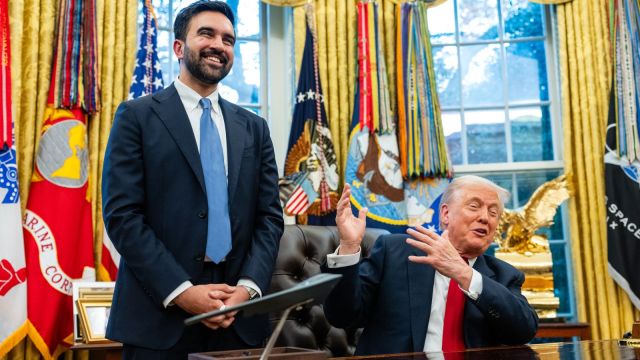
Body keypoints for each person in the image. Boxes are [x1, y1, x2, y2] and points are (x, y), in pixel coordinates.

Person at [101, 1, 283, 358]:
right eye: (207, 33)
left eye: (229, 39)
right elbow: (123, 216)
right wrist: (182, 292)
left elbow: (269, 218)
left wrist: (247, 289)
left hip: (238, 321)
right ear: (179, 47)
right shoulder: (136, 117)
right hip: (159, 318)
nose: (219, 44)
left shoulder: (254, 129)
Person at [323, 175, 538, 355]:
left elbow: (524, 331)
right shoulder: (395, 252)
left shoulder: (503, 275)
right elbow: (343, 316)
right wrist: (350, 245)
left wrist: (465, 274)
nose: (485, 218)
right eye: (474, 206)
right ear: (445, 214)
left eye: (493, 213)